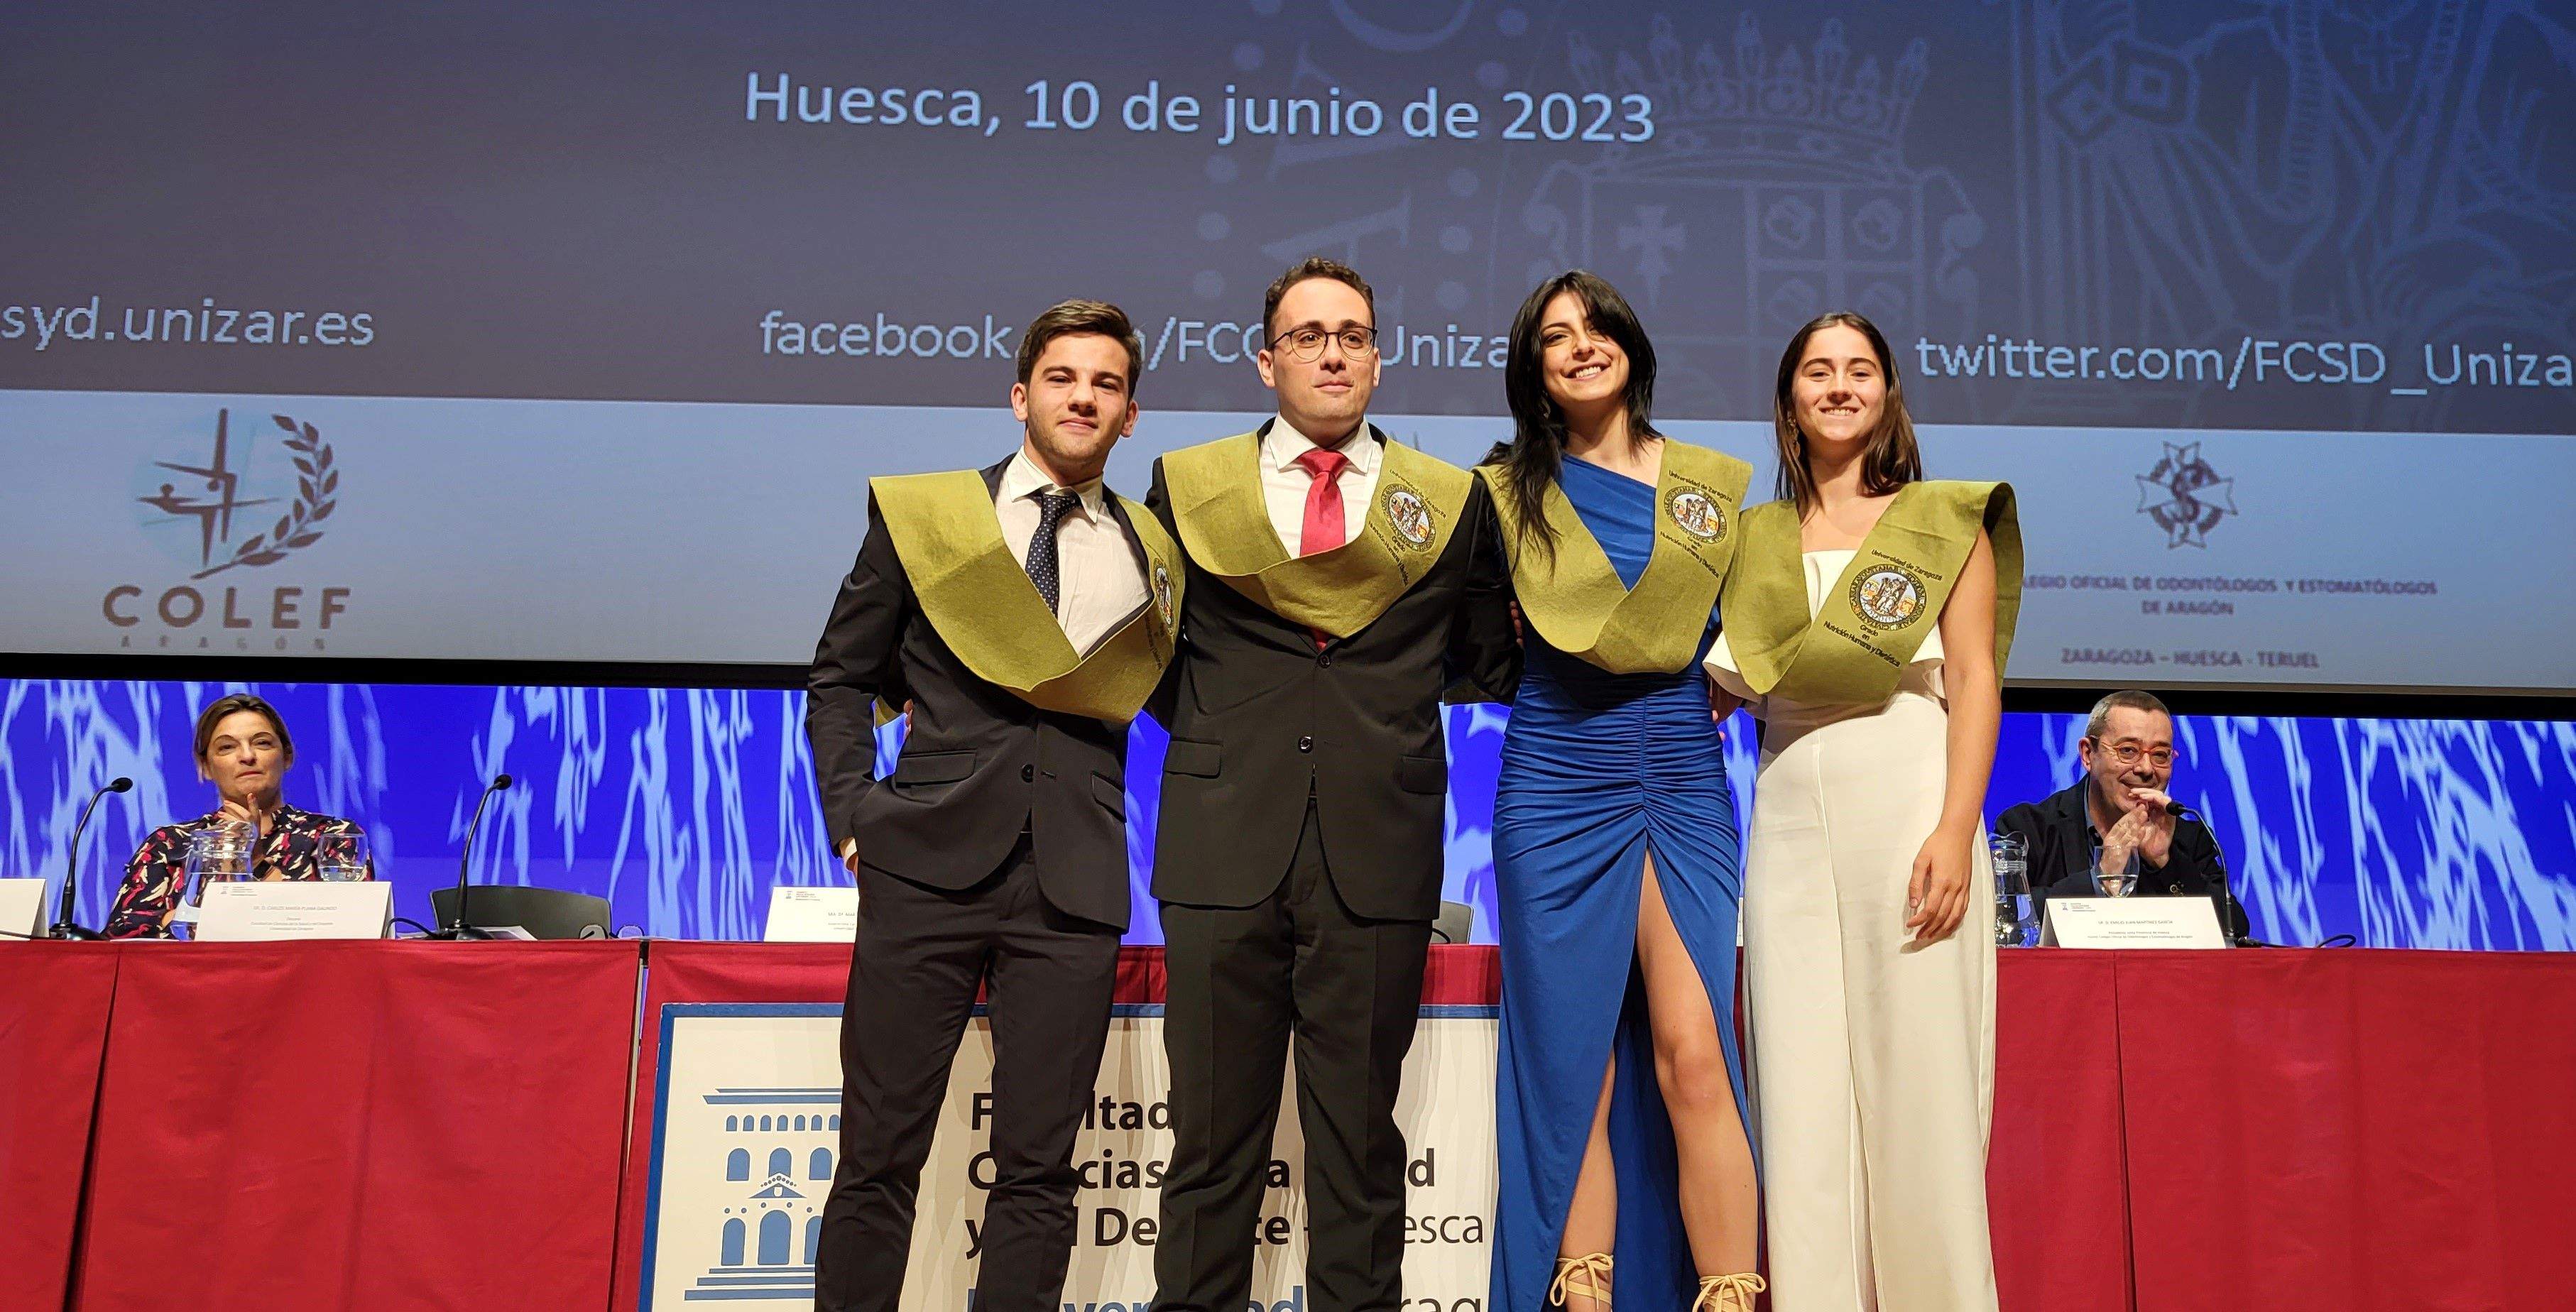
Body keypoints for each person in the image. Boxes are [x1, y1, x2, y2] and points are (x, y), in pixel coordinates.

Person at [1145, 256, 1520, 1312]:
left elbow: (1477, 654)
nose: (1332, 352)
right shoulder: (1188, 483)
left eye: (1351, 334)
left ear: (1379, 358)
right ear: (1266, 362)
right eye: (1307, 336)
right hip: (1223, 848)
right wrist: (1241, 737)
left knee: (1358, 1151)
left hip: (1377, 849)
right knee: (1211, 1148)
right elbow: (1159, 658)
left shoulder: (1445, 501)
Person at [803, 300, 1184, 1312]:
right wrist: (853, 814)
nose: (1083, 398)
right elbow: (842, 679)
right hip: (921, 864)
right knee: (879, 1156)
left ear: (1131, 415)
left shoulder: (1157, 550)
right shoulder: (931, 521)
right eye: (1063, 378)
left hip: (1072, 881)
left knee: (1039, 1171)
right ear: (1021, 396)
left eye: (1106, 384)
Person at [1705, 310, 2021, 1310]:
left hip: (1910, 795)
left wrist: (1955, 831)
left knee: (1919, 1080)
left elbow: (1974, 678)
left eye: (1859, 371)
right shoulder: (1753, 538)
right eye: (1817, 371)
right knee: (1799, 1094)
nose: (1839, 386)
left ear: (1887, 393)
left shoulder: (1942, 521)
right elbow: (1718, 689)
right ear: (1789, 397)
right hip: (1791, 806)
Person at [1478, 272, 1764, 1312]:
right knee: (1575, 1062)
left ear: (1632, 346)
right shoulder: (1504, 492)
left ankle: (1730, 1293)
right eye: (1556, 338)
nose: (1581, 346)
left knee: (1696, 1051)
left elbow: (1760, 621)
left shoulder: (1712, 484)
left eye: (1597, 328)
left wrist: (1737, 671)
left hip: (1680, 775)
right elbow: (1469, 639)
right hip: (1555, 780)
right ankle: (1583, 1291)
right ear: (1535, 370)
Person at [104, 691, 371, 939]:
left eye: (262, 743)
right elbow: (122, 934)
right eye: (227, 747)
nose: (247, 756)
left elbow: (351, 929)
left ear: (287, 757)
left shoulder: (335, 836)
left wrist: (255, 859)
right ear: (205, 767)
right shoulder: (170, 843)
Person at [1997, 689, 2247, 936]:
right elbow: (2004, 914)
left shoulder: (2189, 838)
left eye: (2160, 755)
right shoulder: (2029, 829)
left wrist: (2166, 864)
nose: (2146, 769)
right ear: (2088, 754)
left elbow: (2235, 929)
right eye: (2128, 750)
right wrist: (2098, 880)